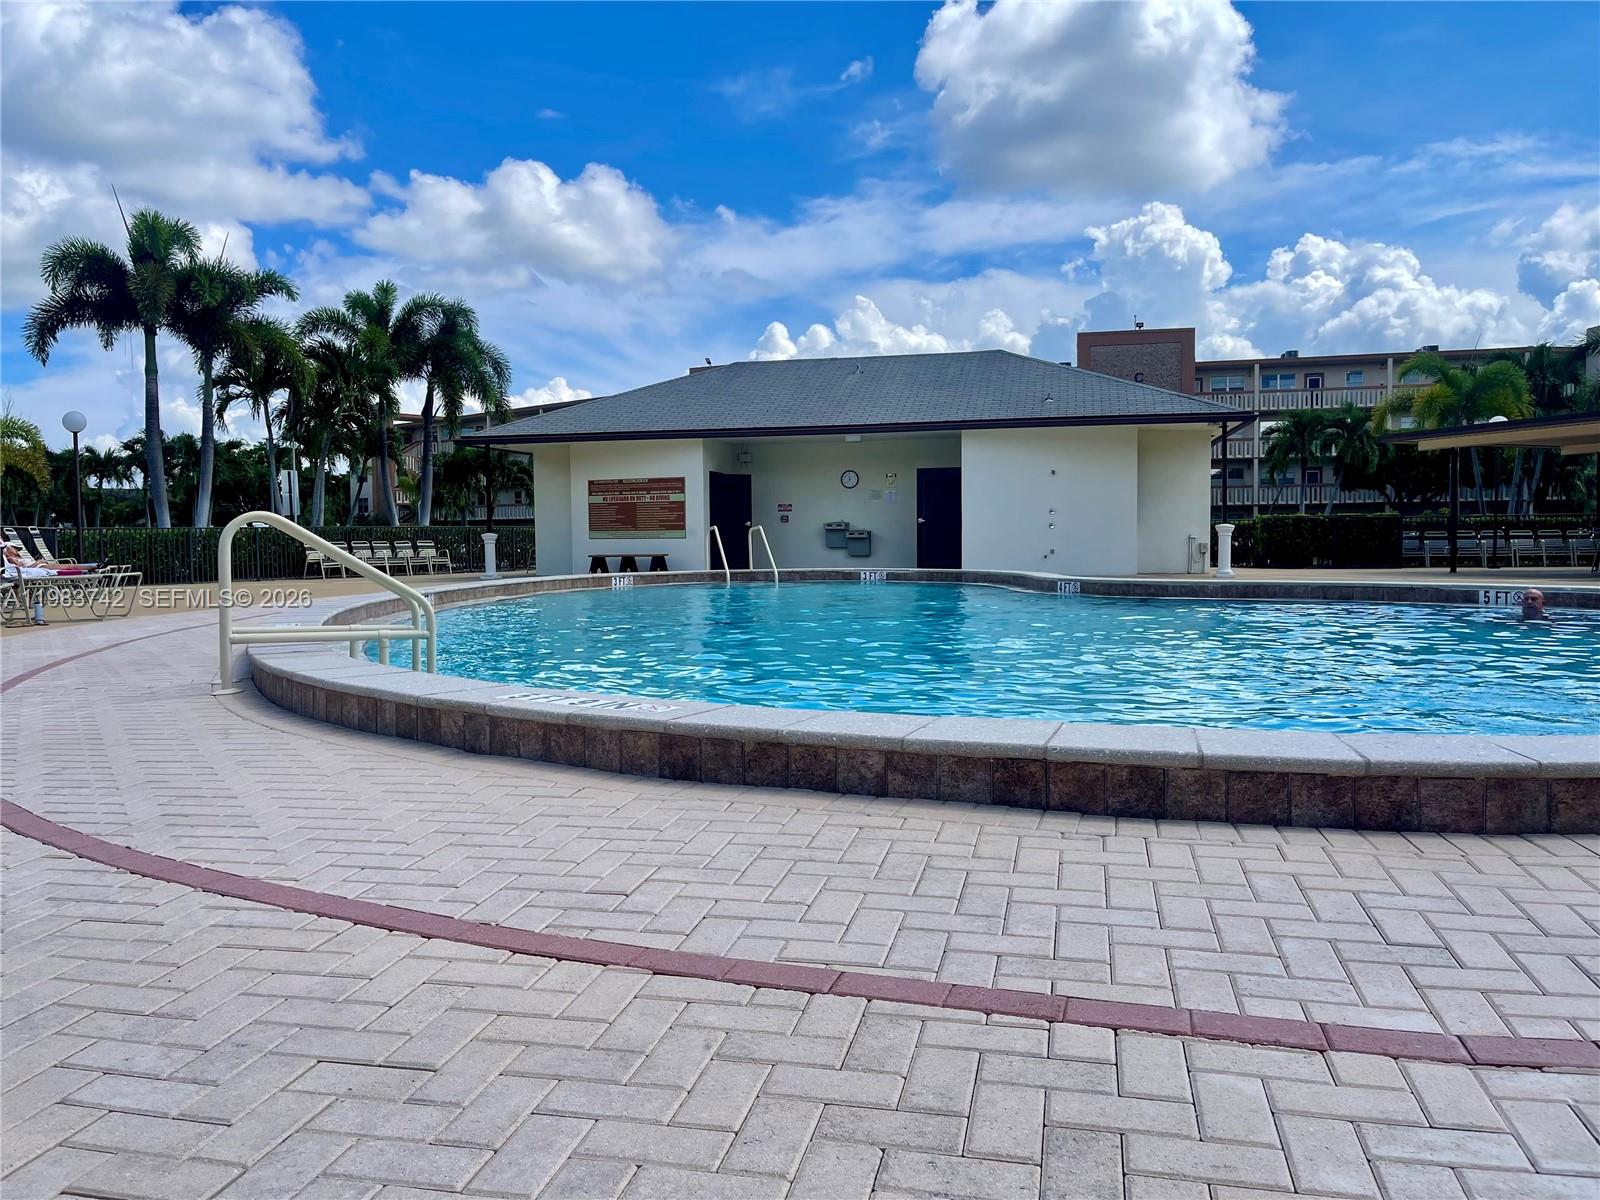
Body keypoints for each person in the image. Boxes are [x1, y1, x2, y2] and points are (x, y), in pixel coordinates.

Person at [4, 541, 56, 625]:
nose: (16, 550)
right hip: (36, 569)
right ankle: (85, 568)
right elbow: (23, 569)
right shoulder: (11, 559)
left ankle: (84, 568)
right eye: (14, 548)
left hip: (38, 569)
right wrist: (37, 563)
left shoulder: (19, 557)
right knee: (66, 567)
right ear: (8, 549)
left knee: (64, 568)